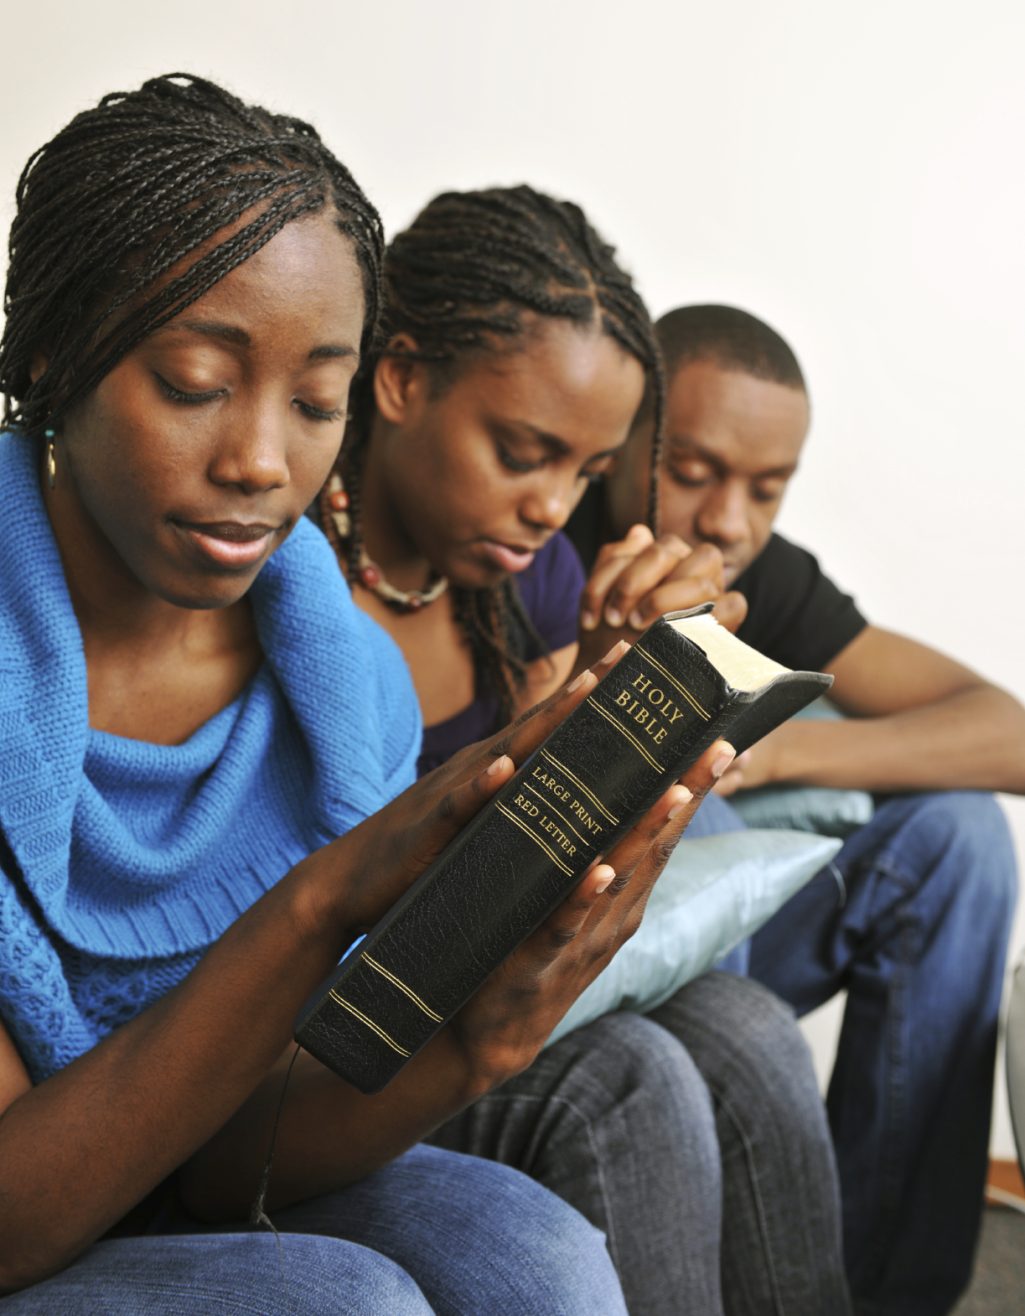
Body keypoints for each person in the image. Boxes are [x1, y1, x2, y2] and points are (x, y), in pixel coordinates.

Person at [0, 73, 745, 1314]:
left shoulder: (344, 691)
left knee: (533, 1255)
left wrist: (476, 1040)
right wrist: (321, 903)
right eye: (194, 381)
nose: (259, 460)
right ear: (56, 358)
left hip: (166, 1180)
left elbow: (241, 1154)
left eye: (313, 401)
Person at [319, 190, 853, 1314]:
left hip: (508, 970)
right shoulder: (287, 581)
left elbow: (542, 831)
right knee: (633, 1077)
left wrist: (616, 686)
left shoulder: (532, 579)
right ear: (400, 379)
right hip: (366, 1012)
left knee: (751, 1030)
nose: (550, 507)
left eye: (585, 469)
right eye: (524, 454)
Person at [567, 302, 1024, 1315]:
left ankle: (885, 1290)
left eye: (764, 489)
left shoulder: (750, 570)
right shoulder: (536, 525)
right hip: (562, 948)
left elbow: (1008, 731)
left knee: (958, 838)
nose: (728, 518)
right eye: (692, 471)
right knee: (708, 832)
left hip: (702, 935)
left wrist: (777, 748)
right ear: (622, 441)